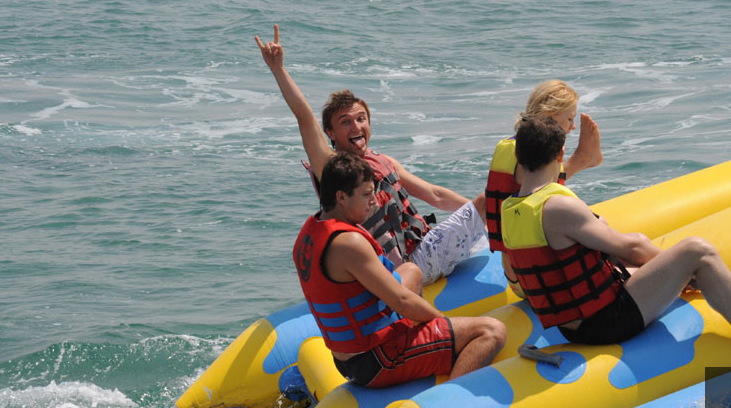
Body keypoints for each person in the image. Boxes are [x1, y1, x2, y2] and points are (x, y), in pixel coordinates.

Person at [500, 116, 731, 361]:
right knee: (698, 251)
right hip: (604, 323)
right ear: (560, 153)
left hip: (570, 327)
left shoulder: (511, 209)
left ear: (519, 155)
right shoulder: (558, 205)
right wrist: (683, 269)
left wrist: (667, 274)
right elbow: (629, 249)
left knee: (651, 255)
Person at [257, 24, 487, 285]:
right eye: (345, 122)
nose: (356, 126)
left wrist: (480, 218)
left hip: (423, 249)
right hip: (405, 269)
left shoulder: (383, 160)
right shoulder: (334, 170)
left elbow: (434, 195)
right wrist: (278, 69)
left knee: (481, 213)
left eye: (361, 118)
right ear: (330, 133)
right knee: (488, 199)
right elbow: (305, 118)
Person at [293, 153, 506, 387]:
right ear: (341, 197)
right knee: (491, 331)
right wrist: (447, 326)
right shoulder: (349, 244)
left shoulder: (311, 233)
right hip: (377, 359)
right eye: (366, 194)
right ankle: (447, 401)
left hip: (347, 358)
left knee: (411, 270)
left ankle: (430, 346)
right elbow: (403, 301)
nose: (374, 201)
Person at [485, 80, 602, 295]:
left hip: (515, 275)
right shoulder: (521, 154)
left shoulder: (507, 146)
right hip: (535, 281)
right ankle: (582, 159)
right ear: (550, 114)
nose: (573, 126)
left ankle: (582, 159)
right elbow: (548, 201)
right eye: (569, 119)